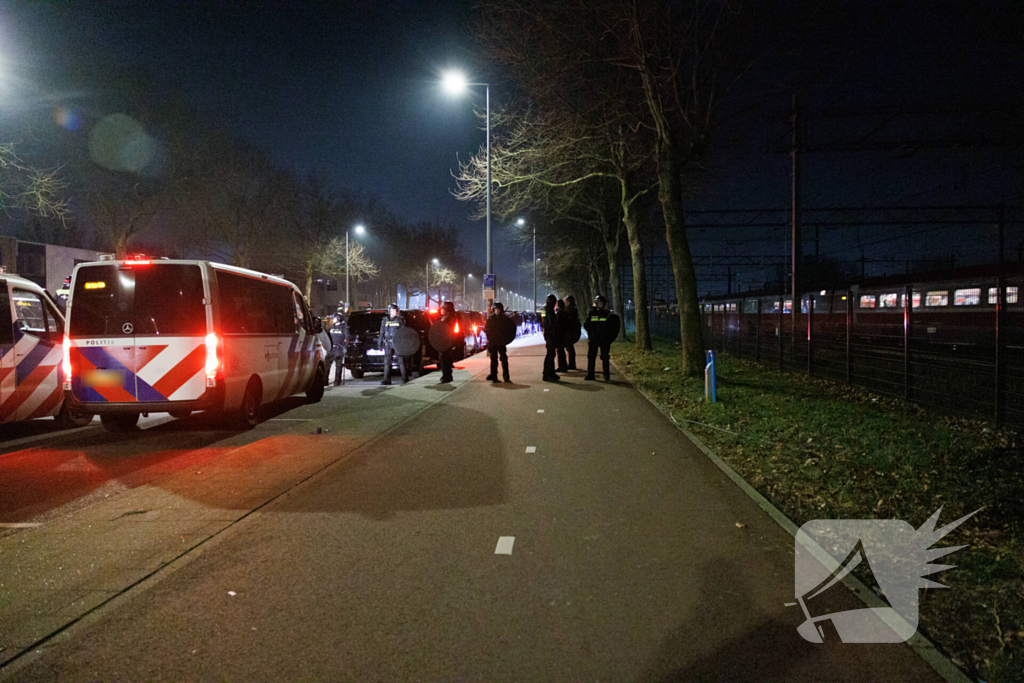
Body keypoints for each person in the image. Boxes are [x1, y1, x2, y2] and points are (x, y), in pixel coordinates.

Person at [584, 294, 618, 381]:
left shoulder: (607, 314)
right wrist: (591, 333)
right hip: (594, 338)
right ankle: (590, 374)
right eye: (600, 303)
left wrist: (609, 337)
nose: (601, 305)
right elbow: (587, 324)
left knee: (605, 357)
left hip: (604, 339)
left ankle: (606, 375)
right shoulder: (592, 313)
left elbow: (612, 327)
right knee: (591, 356)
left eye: (602, 303)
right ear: (596, 303)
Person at [377, 303, 409, 385]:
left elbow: (403, 332)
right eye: (393, 310)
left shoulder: (400, 319)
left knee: (401, 361)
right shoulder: (385, 320)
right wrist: (379, 342)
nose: (394, 311)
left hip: (397, 343)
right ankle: (386, 380)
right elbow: (382, 332)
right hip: (388, 343)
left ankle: (405, 379)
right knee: (387, 362)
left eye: (395, 310)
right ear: (389, 310)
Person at [484, 302, 511, 383]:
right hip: (493, 342)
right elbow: (487, 329)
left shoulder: (504, 319)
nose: (496, 311)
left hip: (501, 342)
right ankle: (493, 375)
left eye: (498, 310)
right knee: (493, 359)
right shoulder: (491, 319)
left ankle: (506, 375)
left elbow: (509, 330)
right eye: (495, 310)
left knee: (503, 358)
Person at [437, 301, 458, 383]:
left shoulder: (449, 318)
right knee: (446, 359)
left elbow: (444, 329)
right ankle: (447, 375)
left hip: (446, 341)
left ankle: (446, 376)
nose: (442, 311)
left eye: (443, 309)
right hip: (448, 341)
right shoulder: (450, 317)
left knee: (444, 359)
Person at [541, 294, 560, 382]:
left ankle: (550, 372)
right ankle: (547, 374)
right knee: (550, 354)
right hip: (551, 334)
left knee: (551, 354)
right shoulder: (549, 310)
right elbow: (552, 323)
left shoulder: (544, 310)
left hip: (547, 333)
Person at [328, 312, 348, 386]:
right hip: (330, 349)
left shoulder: (344, 328)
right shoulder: (331, 327)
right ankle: (324, 381)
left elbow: (347, 339)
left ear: (339, 318)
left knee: (338, 366)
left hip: (339, 349)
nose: (333, 319)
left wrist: (345, 348)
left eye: (334, 318)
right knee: (326, 365)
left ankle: (337, 381)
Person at [564, 295, 581, 370]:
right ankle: (571, 363)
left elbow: (569, 320)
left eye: (566, 301)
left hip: (570, 331)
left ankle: (572, 364)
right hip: (571, 330)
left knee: (570, 347)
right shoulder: (572, 309)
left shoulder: (571, 310)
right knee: (569, 347)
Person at [554, 298, 569, 373]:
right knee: (561, 351)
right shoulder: (564, 312)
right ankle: (563, 366)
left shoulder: (561, 313)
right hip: (563, 334)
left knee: (560, 351)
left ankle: (562, 366)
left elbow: (558, 324)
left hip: (560, 335)